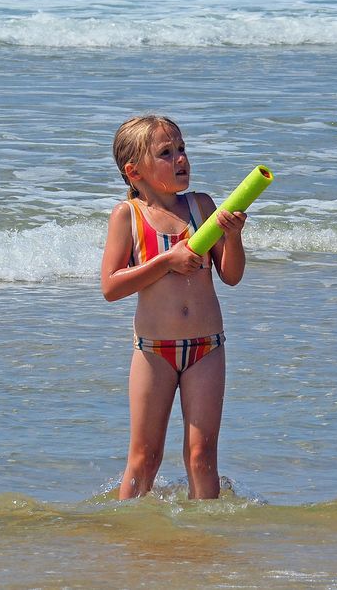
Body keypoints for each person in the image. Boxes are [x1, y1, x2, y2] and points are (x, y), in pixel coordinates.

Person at [100, 115, 246, 500]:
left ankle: (203, 540)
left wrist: (234, 238)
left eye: (182, 149)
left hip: (206, 348)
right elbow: (111, 287)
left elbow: (231, 276)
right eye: (166, 153)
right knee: (144, 457)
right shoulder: (127, 216)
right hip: (154, 352)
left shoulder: (201, 207)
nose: (180, 158)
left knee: (202, 456)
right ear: (135, 172)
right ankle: (126, 528)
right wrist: (167, 261)